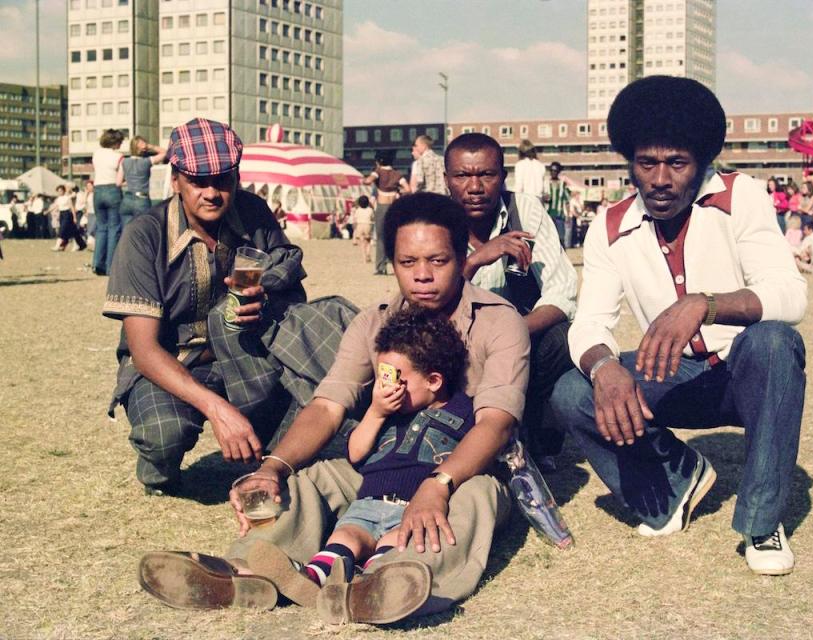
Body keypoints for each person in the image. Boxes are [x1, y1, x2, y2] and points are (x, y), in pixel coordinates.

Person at [137, 192, 530, 623]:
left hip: (459, 469)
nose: (421, 276)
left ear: (462, 256)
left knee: (475, 496)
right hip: (384, 462)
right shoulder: (375, 321)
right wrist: (273, 468)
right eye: (407, 263)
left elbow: (496, 422)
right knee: (311, 478)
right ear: (392, 261)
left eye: (437, 262)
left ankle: (396, 581)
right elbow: (327, 406)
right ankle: (248, 573)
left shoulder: (497, 319)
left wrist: (439, 484)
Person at [550, 76, 808, 576]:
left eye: (677, 163)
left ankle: (761, 521)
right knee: (569, 389)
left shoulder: (740, 195)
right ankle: (676, 482)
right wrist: (604, 366)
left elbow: (791, 294)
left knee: (776, 340)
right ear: (630, 163)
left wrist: (705, 304)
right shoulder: (610, 225)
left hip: (744, 372)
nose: (661, 179)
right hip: (674, 378)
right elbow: (589, 324)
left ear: (701, 163)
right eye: (647, 163)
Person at [103, 118, 307, 496]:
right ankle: (156, 469)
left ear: (237, 176)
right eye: (198, 181)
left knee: (304, 428)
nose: (211, 193)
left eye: (223, 180)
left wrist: (267, 297)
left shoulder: (254, 213)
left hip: (245, 358)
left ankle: (267, 434)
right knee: (163, 434)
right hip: (170, 364)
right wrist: (218, 410)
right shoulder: (144, 236)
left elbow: (293, 284)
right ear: (176, 180)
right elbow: (144, 352)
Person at [247, 306, 472, 609]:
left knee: (394, 545)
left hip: (413, 510)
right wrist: (376, 412)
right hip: (367, 503)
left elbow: (477, 451)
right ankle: (311, 579)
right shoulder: (386, 412)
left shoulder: (463, 411)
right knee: (346, 536)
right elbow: (355, 452)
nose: (386, 386)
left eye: (396, 378)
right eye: (382, 376)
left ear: (433, 381)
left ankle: (368, 587)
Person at [444, 132, 578, 469]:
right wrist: (473, 262)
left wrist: (511, 331)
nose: (475, 187)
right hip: (455, 336)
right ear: (447, 180)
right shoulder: (435, 221)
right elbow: (425, 305)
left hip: (518, 334)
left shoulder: (524, 208)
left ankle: (534, 432)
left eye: (486, 175)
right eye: (462, 176)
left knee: (562, 339)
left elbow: (562, 292)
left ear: (503, 177)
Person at [363, 153, 409, 275]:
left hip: (382, 206)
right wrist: (398, 191)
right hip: (394, 206)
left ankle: (380, 267)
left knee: (381, 238)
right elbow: (408, 189)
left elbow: (368, 181)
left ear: (378, 162)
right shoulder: (397, 174)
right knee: (394, 236)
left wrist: (365, 180)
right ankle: (395, 264)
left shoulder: (378, 171)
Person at [92, 129, 126, 276]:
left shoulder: (96, 154)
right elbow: (120, 179)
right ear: (116, 142)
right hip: (112, 189)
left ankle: (97, 263)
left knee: (101, 228)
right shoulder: (119, 157)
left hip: (97, 190)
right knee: (114, 228)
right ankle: (110, 265)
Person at [118, 136, 168, 231]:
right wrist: (149, 146)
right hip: (142, 199)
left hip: (127, 199)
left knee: (126, 232)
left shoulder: (124, 162)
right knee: (142, 230)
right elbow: (165, 152)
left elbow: (118, 183)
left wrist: (129, 182)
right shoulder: (147, 161)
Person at [50, 185, 86, 252]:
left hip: (67, 215)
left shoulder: (67, 197)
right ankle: (82, 245)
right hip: (62, 215)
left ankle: (57, 246)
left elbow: (71, 207)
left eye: (60, 191)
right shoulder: (58, 199)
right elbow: (56, 206)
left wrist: (74, 217)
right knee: (73, 231)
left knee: (62, 230)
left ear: (64, 191)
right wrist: (48, 211)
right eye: (58, 191)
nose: (59, 192)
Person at [544, 162, 571, 247]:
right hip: (548, 214)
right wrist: (544, 198)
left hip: (559, 215)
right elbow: (541, 197)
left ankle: (562, 256)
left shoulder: (562, 184)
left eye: (555, 171)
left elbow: (567, 201)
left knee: (561, 237)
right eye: (551, 170)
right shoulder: (546, 183)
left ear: (558, 172)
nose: (553, 172)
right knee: (548, 237)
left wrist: (568, 215)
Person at [353, 194, 374, 263]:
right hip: (368, 225)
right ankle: (368, 253)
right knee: (368, 241)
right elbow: (372, 217)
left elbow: (355, 219)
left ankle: (364, 258)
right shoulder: (370, 210)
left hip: (360, 225)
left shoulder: (358, 210)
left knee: (362, 243)